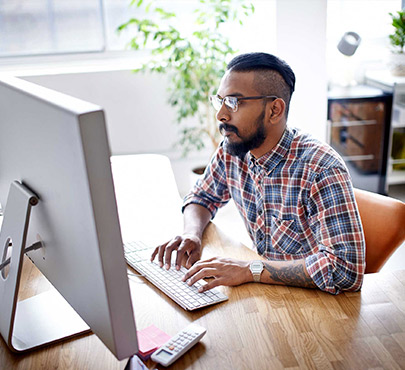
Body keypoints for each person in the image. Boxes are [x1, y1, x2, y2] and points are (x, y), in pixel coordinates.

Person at [151, 52, 365, 295]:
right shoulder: (233, 150)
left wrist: (250, 270)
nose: (220, 115)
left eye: (234, 102)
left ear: (274, 110)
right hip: (267, 296)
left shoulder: (321, 169)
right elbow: (202, 197)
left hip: (317, 305)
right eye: (219, 101)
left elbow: (345, 270)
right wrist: (192, 234)